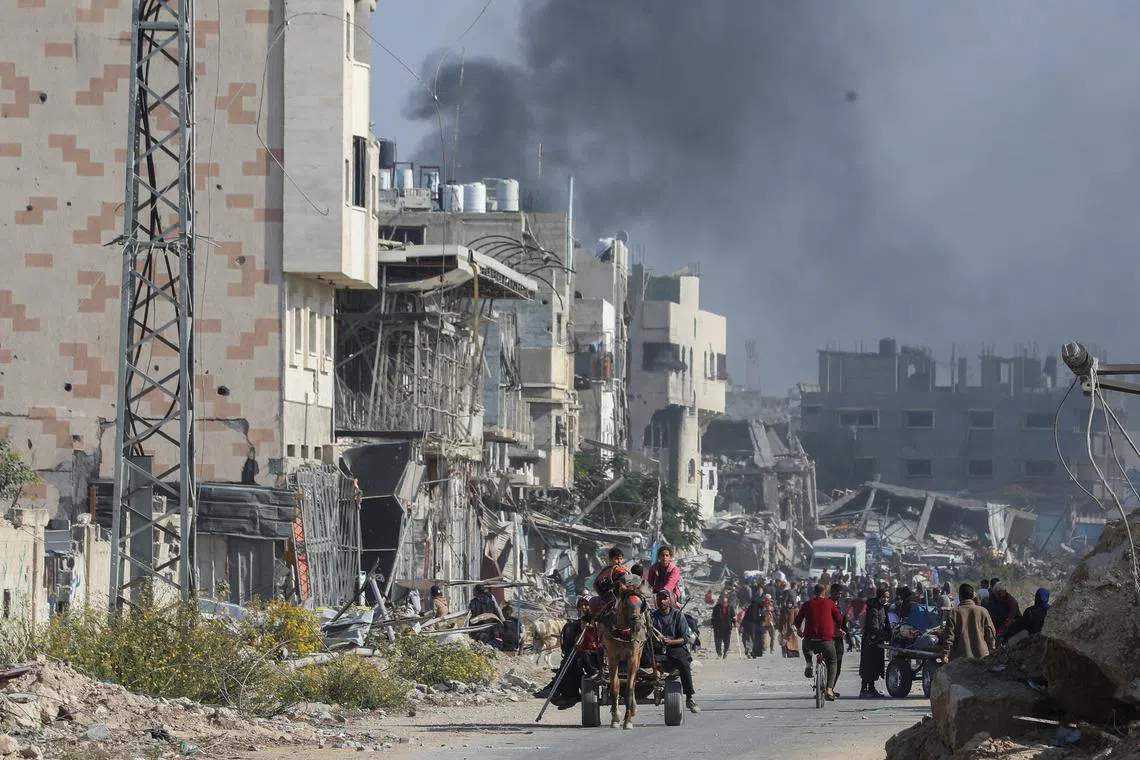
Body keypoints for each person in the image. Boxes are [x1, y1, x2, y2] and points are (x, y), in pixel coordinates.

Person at [650, 591, 701, 713]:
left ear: (670, 600)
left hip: (674, 647)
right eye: (659, 598)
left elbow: (685, 638)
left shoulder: (678, 615)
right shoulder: (652, 616)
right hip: (656, 648)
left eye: (664, 598)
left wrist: (670, 642)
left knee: (683, 663)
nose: (661, 601)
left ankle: (689, 697)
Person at [796, 583, 843, 701]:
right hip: (826, 641)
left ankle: (808, 663)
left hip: (810, 640)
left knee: (805, 646)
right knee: (832, 661)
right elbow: (839, 619)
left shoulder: (807, 604)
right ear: (825, 593)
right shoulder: (830, 603)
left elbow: (797, 620)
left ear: (814, 593)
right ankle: (829, 689)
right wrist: (837, 629)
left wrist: (799, 630)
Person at [942, 583, 997, 663]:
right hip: (982, 657)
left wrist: (945, 654)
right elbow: (991, 634)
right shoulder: (983, 611)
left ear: (960, 597)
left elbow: (949, 636)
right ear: (972, 596)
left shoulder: (953, 612)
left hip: (960, 660)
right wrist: (992, 651)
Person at [859, 587, 890, 698]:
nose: (885, 599)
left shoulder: (881, 607)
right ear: (879, 596)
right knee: (868, 666)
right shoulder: (874, 609)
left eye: (887, 597)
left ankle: (871, 689)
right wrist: (887, 635)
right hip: (870, 641)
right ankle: (864, 689)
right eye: (884, 597)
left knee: (874, 666)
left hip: (876, 640)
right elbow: (874, 627)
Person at [829, 583, 850, 683]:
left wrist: (849, 640)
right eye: (837, 593)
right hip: (827, 637)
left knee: (838, 664)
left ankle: (830, 688)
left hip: (838, 639)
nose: (839, 596)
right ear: (831, 593)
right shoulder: (825, 604)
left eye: (840, 594)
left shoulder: (842, 605)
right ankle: (822, 686)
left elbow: (845, 624)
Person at [711, 592, 736, 659]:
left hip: (727, 627)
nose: (723, 603)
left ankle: (725, 652)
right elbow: (713, 617)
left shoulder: (730, 608)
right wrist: (712, 624)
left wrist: (735, 623)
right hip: (718, 627)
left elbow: (733, 617)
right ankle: (719, 654)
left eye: (725, 602)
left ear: (727, 601)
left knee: (727, 641)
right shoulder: (716, 608)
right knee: (718, 642)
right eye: (722, 601)